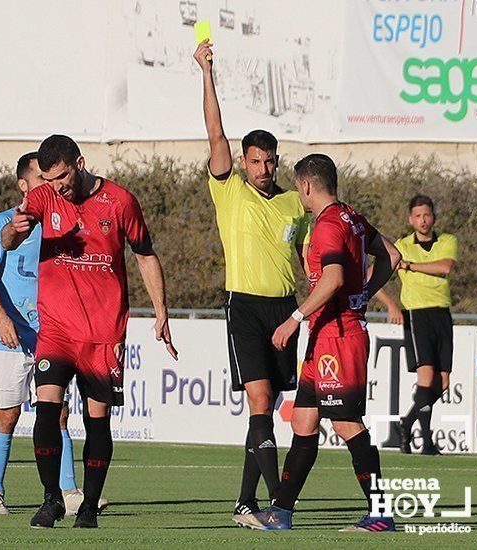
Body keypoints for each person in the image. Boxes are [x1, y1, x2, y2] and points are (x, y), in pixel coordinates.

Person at [2, 134, 177, 529]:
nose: (57, 186)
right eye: (49, 179)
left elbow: (145, 255)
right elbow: (10, 240)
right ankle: (52, 500)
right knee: (47, 411)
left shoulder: (120, 202)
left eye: (62, 176)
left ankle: (89, 507)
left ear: (79, 163)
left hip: (103, 333)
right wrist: (15, 228)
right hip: (58, 330)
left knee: (98, 421)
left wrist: (161, 310)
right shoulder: (46, 198)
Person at [242, 154, 401, 532]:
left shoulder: (329, 224)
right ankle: (280, 512)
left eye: (298, 188)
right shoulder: (351, 217)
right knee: (304, 421)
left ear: (307, 186)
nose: (298, 194)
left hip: (339, 338)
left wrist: (294, 319)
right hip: (326, 337)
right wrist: (361, 293)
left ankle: (380, 513)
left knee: (347, 425)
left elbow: (332, 279)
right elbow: (392, 256)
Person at [193, 39, 312, 525]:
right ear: (243, 162)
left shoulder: (292, 204)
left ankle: (245, 503)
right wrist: (207, 73)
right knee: (261, 401)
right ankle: (277, 506)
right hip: (243, 305)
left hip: (285, 310)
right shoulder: (231, 191)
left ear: (278, 163)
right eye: (255, 161)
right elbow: (216, 135)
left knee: (265, 408)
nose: (263, 169)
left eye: (270, 162)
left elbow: (307, 255)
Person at [0, 152, 94, 516]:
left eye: (52, 181)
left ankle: (68, 492)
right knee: (7, 415)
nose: (50, 188)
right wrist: (1, 317)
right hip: (9, 337)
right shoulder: (2, 223)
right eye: (41, 181)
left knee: (58, 412)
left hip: (52, 336)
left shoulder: (59, 221)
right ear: (24, 185)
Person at [374, 195, 457, 455]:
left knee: (442, 383)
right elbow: (372, 276)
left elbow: (445, 267)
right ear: (411, 219)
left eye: (427, 215)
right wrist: (391, 304)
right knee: (427, 376)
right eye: (418, 215)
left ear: (433, 216)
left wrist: (410, 266)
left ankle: (406, 424)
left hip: (442, 314)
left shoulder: (447, 241)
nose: (423, 220)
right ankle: (427, 442)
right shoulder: (401, 246)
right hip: (416, 316)